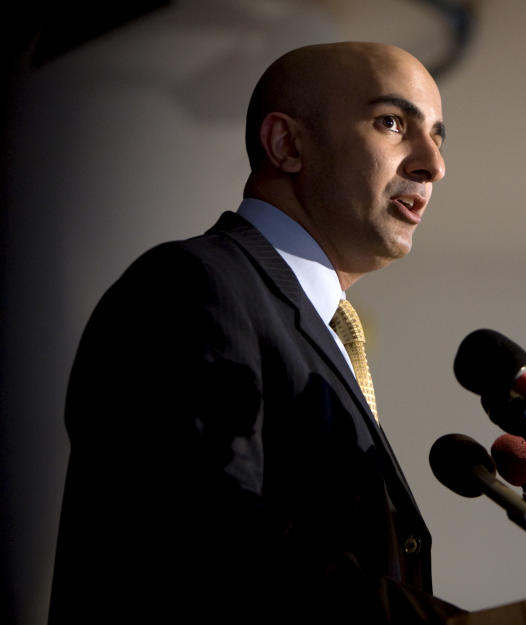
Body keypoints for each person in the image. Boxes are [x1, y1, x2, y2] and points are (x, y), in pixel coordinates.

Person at [48, 42, 461, 624]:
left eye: (438, 137)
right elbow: (213, 545)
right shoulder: (193, 287)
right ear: (287, 144)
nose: (432, 165)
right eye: (392, 123)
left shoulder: (317, 326)